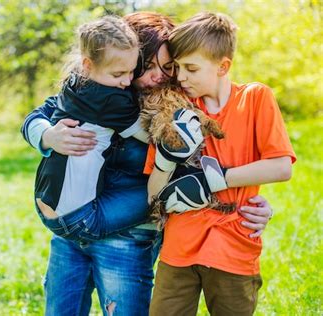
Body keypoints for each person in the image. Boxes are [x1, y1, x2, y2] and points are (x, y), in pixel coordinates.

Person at [22, 11, 274, 316]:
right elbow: (41, 113)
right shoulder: (100, 86)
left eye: (167, 67)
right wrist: (48, 136)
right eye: (148, 66)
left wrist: (251, 204)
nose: (157, 75)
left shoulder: (179, 102)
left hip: (129, 237)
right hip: (72, 230)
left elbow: (212, 161)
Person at [147, 12, 296, 316]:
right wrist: (166, 156)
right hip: (179, 246)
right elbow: (153, 192)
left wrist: (216, 179)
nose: (181, 77)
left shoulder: (255, 98)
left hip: (234, 243)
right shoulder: (176, 109)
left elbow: (281, 166)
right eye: (178, 68)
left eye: (191, 68)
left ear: (223, 66)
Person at [34, 16, 152, 241]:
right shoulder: (111, 100)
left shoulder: (73, 83)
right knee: (169, 192)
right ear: (88, 65)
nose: (127, 82)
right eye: (117, 74)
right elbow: (154, 138)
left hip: (45, 200)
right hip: (80, 219)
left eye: (132, 72)